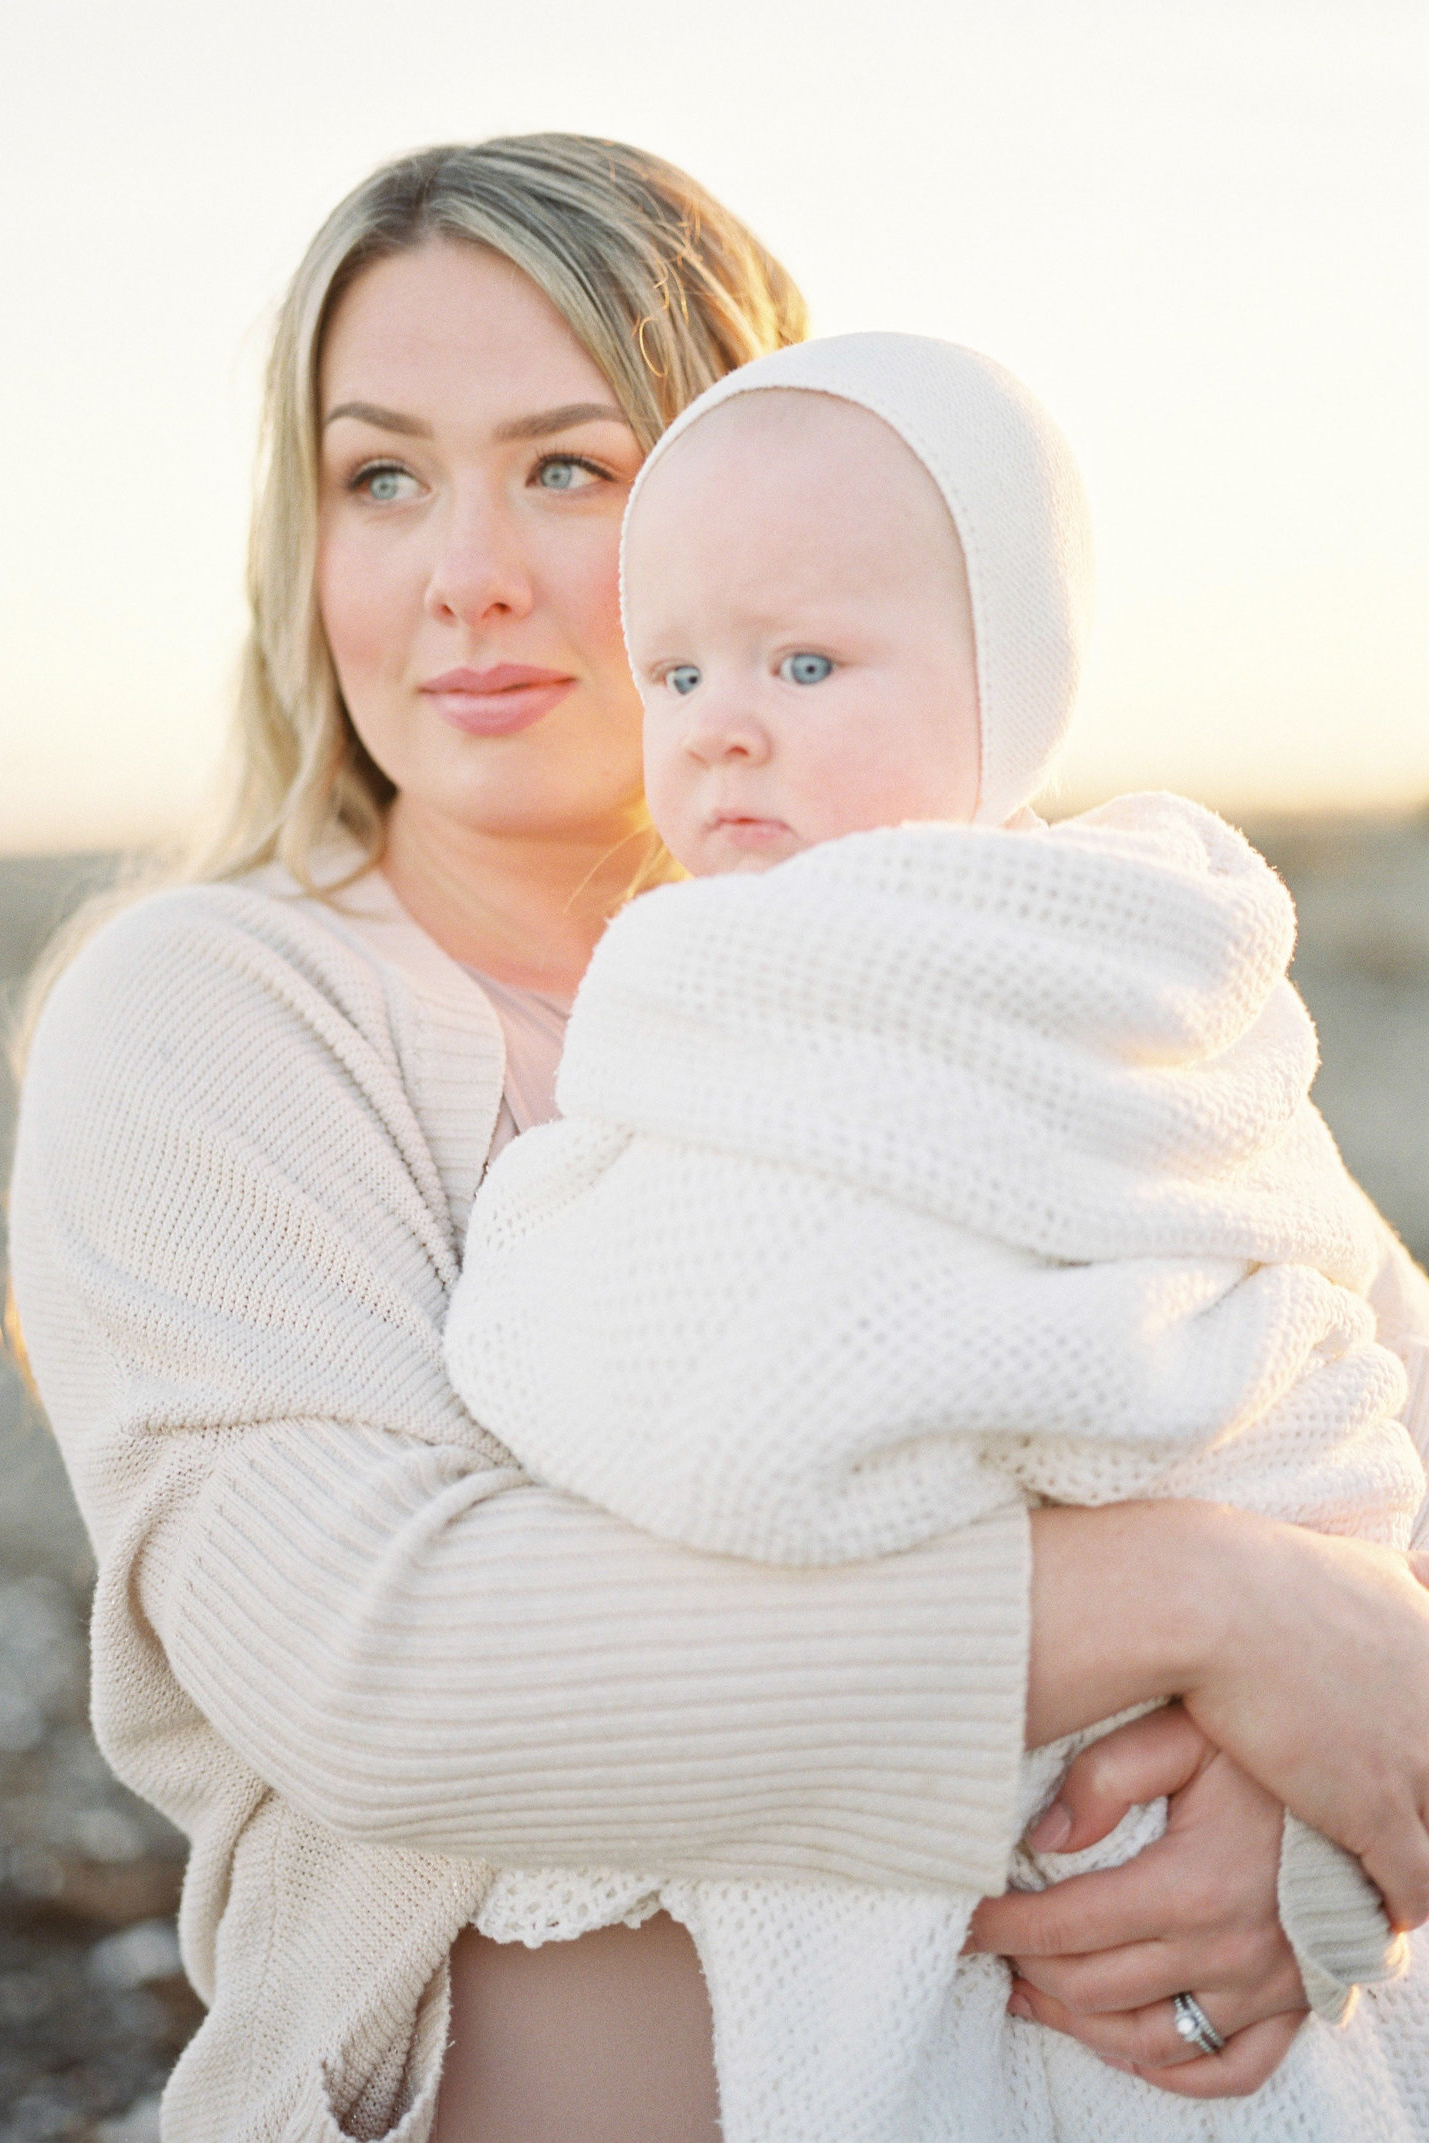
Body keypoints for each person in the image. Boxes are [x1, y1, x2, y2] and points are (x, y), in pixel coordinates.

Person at [7, 136, 1429, 2143]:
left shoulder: (1013, 959)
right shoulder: (211, 1004)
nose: (463, 568)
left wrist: (1310, 1854)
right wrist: (1201, 1603)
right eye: (378, 475)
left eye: (568, 467)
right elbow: (377, 1659)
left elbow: (1362, 1414)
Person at [441, 331, 1429, 2139]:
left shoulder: (1113, 989)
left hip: (1115, 1786)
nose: (723, 720)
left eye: (808, 663)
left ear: (1017, 686)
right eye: (675, 670)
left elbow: (1300, 1321)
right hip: (952, 1755)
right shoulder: (711, 990)